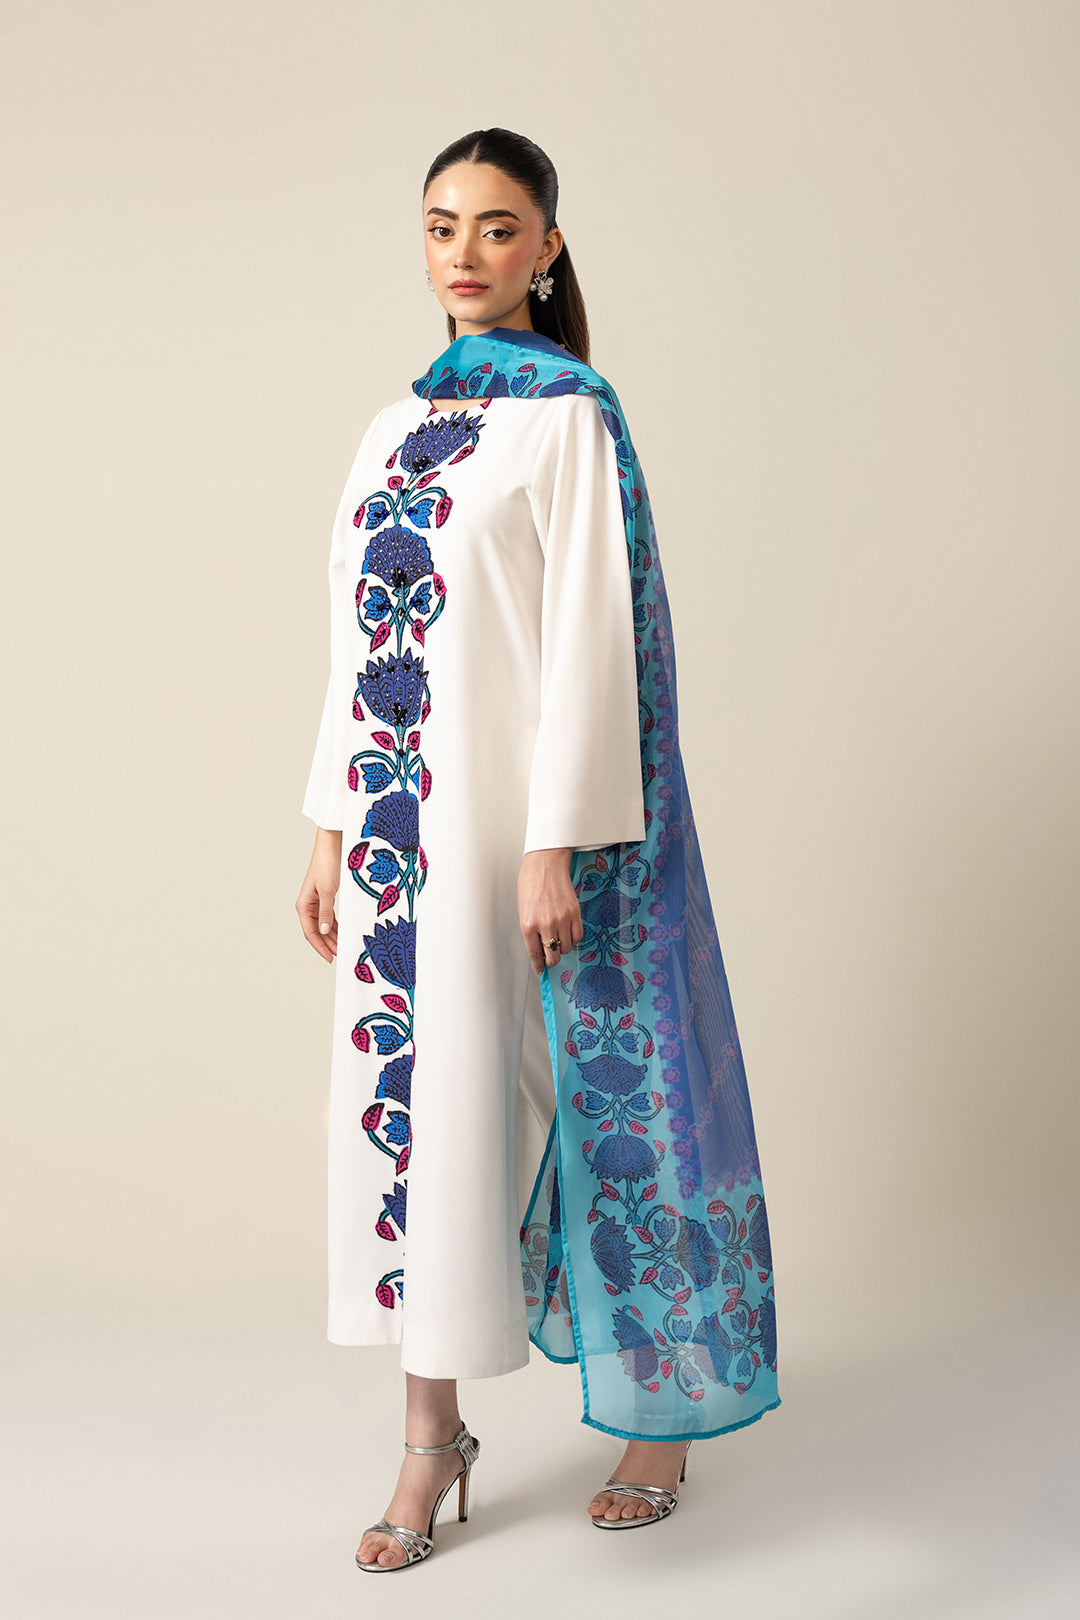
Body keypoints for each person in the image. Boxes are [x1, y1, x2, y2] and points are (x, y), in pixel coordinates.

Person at [295, 128, 780, 1573]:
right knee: (411, 1120)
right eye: (441, 224)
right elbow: (355, 640)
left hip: (512, 827)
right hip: (397, 841)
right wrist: (327, 824)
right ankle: (429, 1437)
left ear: (547, 249)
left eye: (497, 227)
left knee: (570, 1101)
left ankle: (660, 1417)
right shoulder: (392, 428)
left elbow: (591, 643)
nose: (465, 252)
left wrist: (555, 843)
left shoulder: (568, 419)